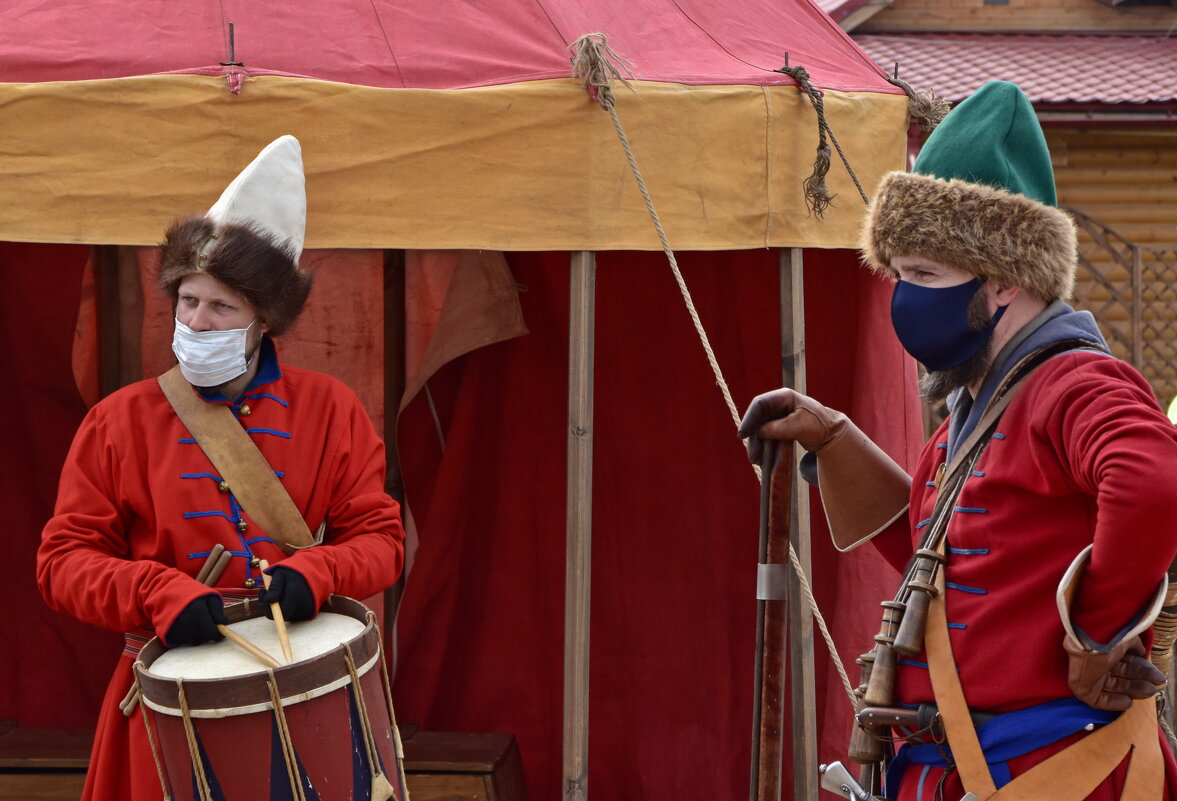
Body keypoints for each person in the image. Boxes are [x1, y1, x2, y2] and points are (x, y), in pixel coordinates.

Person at [740, 81, 1177, 801]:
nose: (905, 298)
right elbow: (937, 558)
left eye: (925, 275)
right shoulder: (981, 403)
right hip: (965, 771)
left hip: (1052, 773)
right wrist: (833, 438)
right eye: (899, 274)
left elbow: (1154, 479)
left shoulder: (1070, 383)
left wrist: (1091, 636)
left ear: (1004, 280)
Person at [37, 136, 405, 800]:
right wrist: (154, 592)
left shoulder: (330, 410)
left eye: (220, 307)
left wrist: (318, 570)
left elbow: (382, 543)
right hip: (163, 699)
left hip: (306, 694)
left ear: (263, 320)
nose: (196, 321)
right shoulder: (117, 420)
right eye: (187, 300)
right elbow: (61, 562)